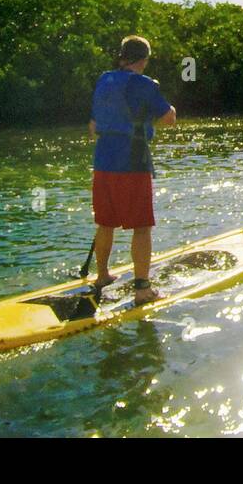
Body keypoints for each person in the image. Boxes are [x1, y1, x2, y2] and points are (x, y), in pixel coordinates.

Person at [89, 35, 177, 305]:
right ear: (144, 60)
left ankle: (102, 275)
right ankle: (142, 289)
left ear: (122, 56)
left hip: (102, 163)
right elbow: (169, 118)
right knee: (141, 227)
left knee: (105, 223)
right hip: (132, 163)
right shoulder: (144, 84)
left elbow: (93, 127)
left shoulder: (104, 80)